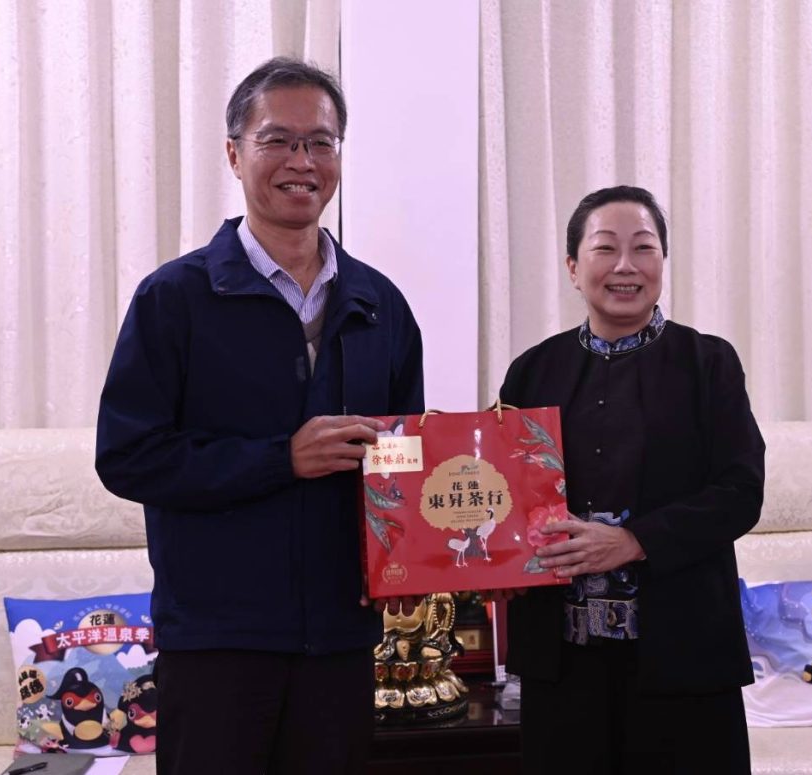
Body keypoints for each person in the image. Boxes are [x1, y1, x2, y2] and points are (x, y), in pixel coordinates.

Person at [95, 57, 424, 775]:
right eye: (278, 140)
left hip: (340, 638)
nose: (302, 161)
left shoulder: (381, 305)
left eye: (321, 142)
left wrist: (430, 552)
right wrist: (281, 458)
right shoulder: (174, 299)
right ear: (234, 153)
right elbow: (127, 456)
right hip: (217, 640)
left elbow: (403, 463)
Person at [499, 186, 765, 774]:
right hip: (561, 663)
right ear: (573, 267)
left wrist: (634, 540)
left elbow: (741, 492)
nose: (626, 265)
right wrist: (496, 563)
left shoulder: (709, 363)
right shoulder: (533, 371)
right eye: (605, 248)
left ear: (662, 263)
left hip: (682, 655)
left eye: (644, 248)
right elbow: (506, 496)